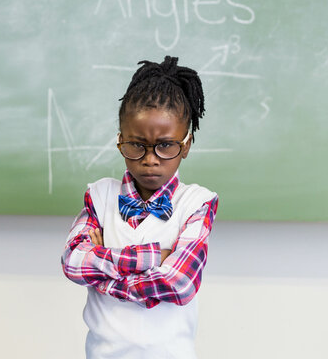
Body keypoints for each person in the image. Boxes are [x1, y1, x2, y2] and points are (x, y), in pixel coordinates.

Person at [61, 56, 219, 359]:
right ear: (120, 140)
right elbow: (73, 262)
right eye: (136, 145)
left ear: (185, 144)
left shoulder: (197, 203)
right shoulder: (100, 195)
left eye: (166, 145)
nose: (150, 159)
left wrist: (104, 275)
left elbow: (179, 283)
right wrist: (155, 257)